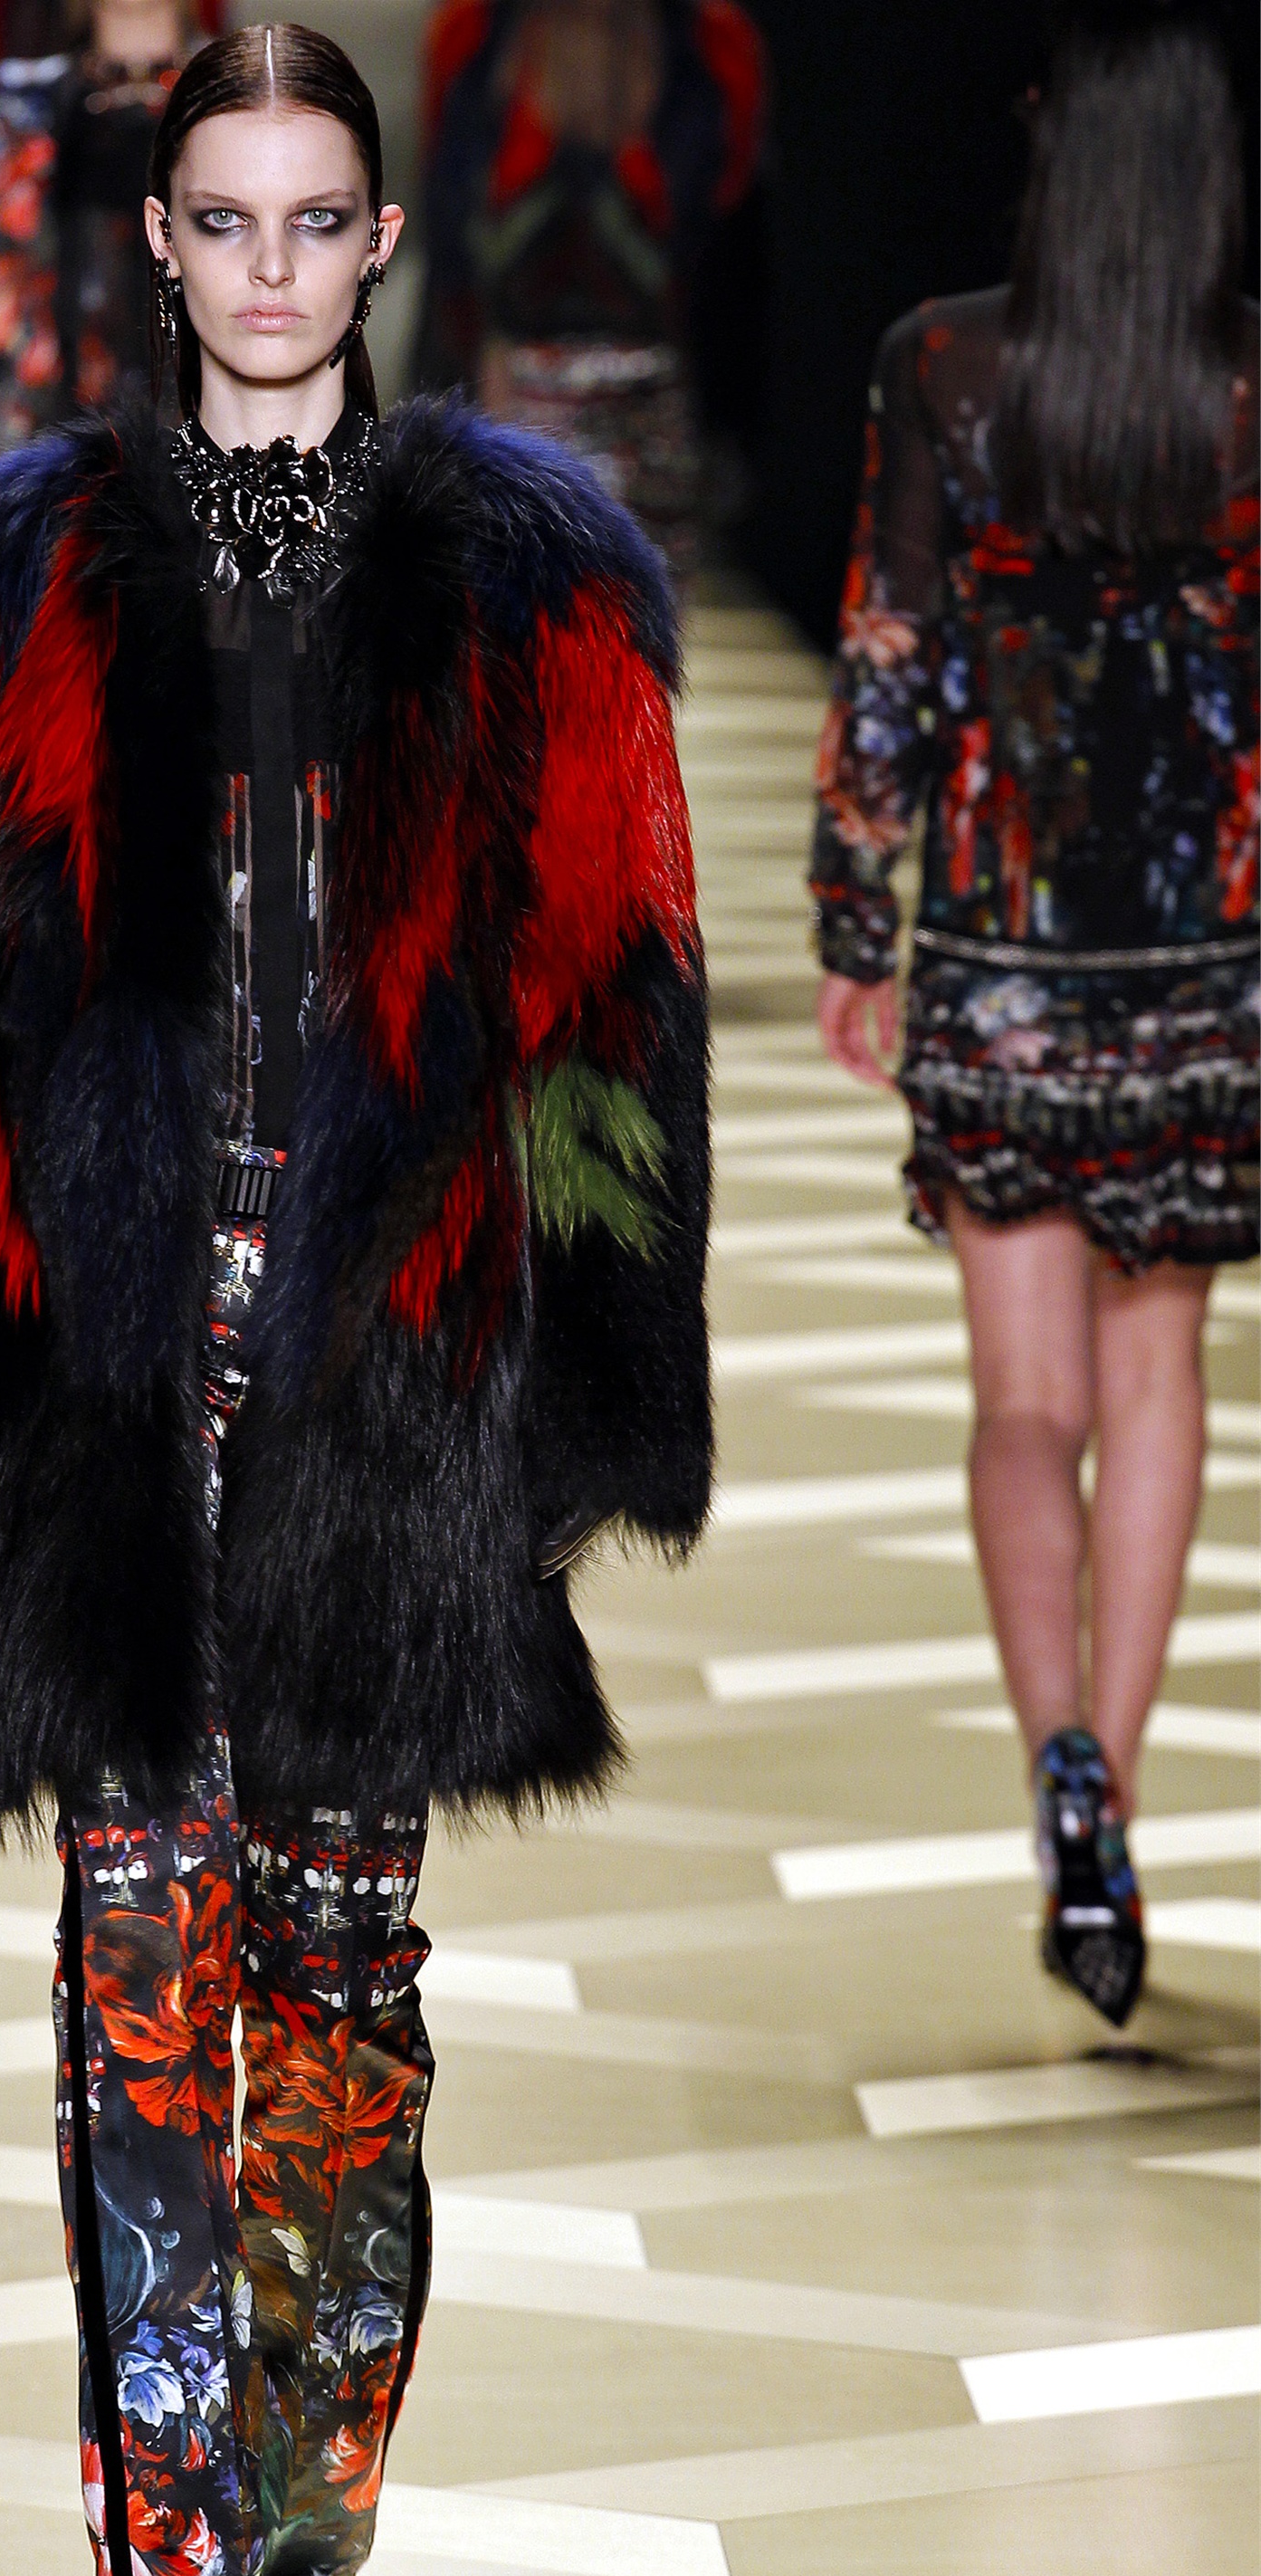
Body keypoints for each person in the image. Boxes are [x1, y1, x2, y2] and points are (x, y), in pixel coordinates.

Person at [0, 19, 711, 2576]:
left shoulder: (535, 577)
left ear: (380, 244)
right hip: (108, 1364)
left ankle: (291, 2499)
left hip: (384, 1370)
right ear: (161, 237)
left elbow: (615, 1003)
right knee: (137, 1996)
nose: (275, 267)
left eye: (321, 219)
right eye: (229, 218)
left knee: (336, 2005)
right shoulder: (26, 569)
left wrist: (590, 1384)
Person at [810, 0, 1258, 2030]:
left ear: (1056, 147)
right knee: (1157, 1379)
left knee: (1023, 1404)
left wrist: (857, 917)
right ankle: (1119, 1796)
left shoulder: (944, 364)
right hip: (1206, 956)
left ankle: (1054, 1756)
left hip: (1002, 945)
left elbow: (893, 651)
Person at [412, 0, 765, 583]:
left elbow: (726, 254)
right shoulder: (474, 33)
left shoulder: (714, 45)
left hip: (654, 411)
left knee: (637, 615)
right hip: (510, 396)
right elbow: (451, 253)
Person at [0, 0, 215, 462]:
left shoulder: (238, 97)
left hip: (209, 409)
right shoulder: (26, 105)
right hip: (60, 412)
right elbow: (10, 282)